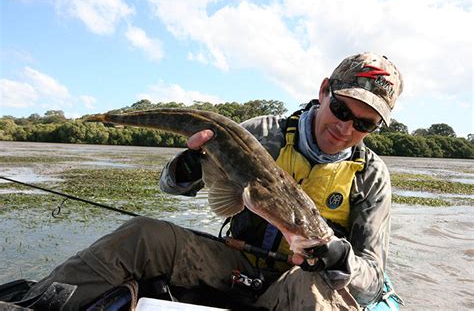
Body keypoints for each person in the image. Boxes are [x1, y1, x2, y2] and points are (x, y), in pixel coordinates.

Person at [21, 52, 403, 310]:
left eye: (364, 123)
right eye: (340, 108)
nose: (345, 126)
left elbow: (371, 281)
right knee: (142, 234)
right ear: (324, 91)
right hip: (233, 265)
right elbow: (170, 187)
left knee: (319, 292)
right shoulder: (258, 134)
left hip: (300, 283)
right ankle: (41, 303)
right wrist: (190, 163)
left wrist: (339, 257)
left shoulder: (371, 176)